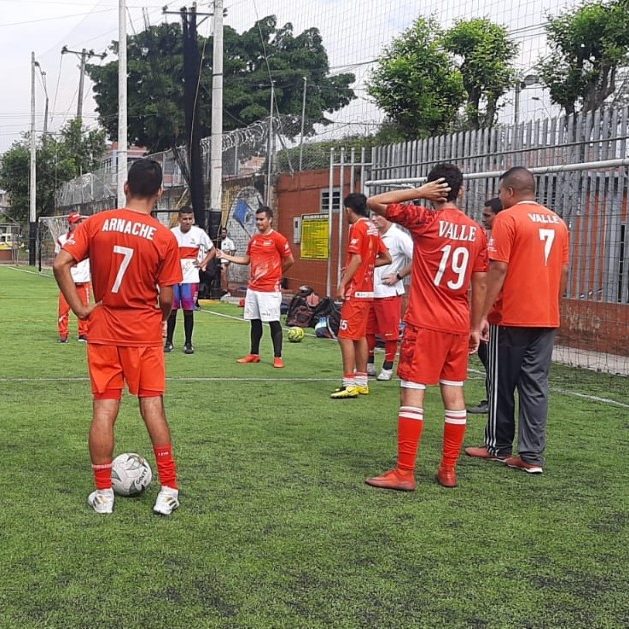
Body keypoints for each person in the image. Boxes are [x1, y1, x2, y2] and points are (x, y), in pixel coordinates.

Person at [52, 159, 183, 516]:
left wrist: (80, 309)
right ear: (159, 192)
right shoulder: (163, 236)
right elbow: (168, 298)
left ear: (125, 186)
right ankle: (168, 489)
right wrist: (160, 317)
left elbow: (60, 263)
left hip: (104, 330)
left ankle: (103, 495)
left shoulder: (96, 223)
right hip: (143, 333)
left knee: (104, 410)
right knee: (152, 407)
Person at [365, 164, 488, 490]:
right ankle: (448, 470)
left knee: (413, 394)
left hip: (426, 322)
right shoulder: (477, 231)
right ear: (461, 192)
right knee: (454, 394)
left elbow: (375, 202)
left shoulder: (426, 220)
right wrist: (476, 325)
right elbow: (480, 282)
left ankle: (405, 472)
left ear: (434, 189)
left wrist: (419, 193)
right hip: (458, 324)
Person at [466, 167, 569, 474]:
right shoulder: (559, 222)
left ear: (509, 192)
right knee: (536, 385)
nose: (500, 197)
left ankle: (497, 446)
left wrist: (482, 315)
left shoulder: (507, 219)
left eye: (501, 192)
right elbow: (564, 271)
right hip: (546, 315)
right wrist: (552, 304)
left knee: (500, 381)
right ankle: (532, 456)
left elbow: (498, 269)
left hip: (510, 314)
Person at [330, 193, 391, 399]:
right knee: (360, 336)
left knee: (345, 336)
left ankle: (349, 382)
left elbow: (356, 258)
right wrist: (366, 265)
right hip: (368, 290)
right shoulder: (373, 228)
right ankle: (362, 380)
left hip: (356, 290)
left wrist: (342, 283)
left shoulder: (357, 227)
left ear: (348, 209)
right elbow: (386, 258)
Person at [217, 206, 294, 368]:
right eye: (257, 219)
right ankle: (254, 354)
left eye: (262, 219)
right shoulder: (254, 240)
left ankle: (278, 356)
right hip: (253, 288)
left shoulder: (278, 239)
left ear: (270, 220)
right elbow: (246, 260)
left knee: (273, 321)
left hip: (270, 289)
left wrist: (277, 274)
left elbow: (289, 260)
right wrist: (225, 255)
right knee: (255, 321)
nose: (259, 222)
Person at [467, 197, 504, 414]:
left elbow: (497, 274)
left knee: (491, 356)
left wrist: (484, 314)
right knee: (487, 353)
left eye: (488, 215)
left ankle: (495, 402)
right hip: (491, 309)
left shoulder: (503, 237)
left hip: (498, 311)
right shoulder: (493, 238)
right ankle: (493, 399)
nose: (484, 219)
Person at [366, 213, 413, 381]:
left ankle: (388, 366)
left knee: (390, 333)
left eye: (378, 215)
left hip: (388, 293)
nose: (374, 219)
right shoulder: (372, 234)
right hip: (369, 291)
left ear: (389, 218)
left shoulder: (399, 236)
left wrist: (398, 276)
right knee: (367, 330)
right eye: (372, 215)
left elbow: (418, 258)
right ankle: (369, 364)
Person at [165, 207, 215, 355]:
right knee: (172, 311)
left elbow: (212, 250)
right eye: (184, 219)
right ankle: (169, 341)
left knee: (188, 311)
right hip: (173, 277)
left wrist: (203, 262)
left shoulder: (199, 234)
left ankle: (188, 343)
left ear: (192, 219)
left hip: (191, 278)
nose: (187, 222)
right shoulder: (172, 233)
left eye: (190, 219)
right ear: (179, 219)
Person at [55, 213, 91, 343]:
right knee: (63, 309)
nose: (79, 224)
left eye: (80, 222)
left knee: (84, 308)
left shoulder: (89, 238)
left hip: (83, 280)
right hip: (67, 281)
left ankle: (83, 333)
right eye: (76, 222)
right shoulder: (62, 240)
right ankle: (63, 334)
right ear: (70, 224)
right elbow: (58, 261)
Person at [219, 226, 236, 292]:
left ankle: (225, 289)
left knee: (223, 275)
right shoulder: (218, 240)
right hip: (218, 260)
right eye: (222, 232)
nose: (223, 234)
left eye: (224, 233)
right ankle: (220, 288)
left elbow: (233, 251)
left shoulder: (229, 241)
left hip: (225, 261)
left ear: (226, 233)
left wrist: (230, 260)